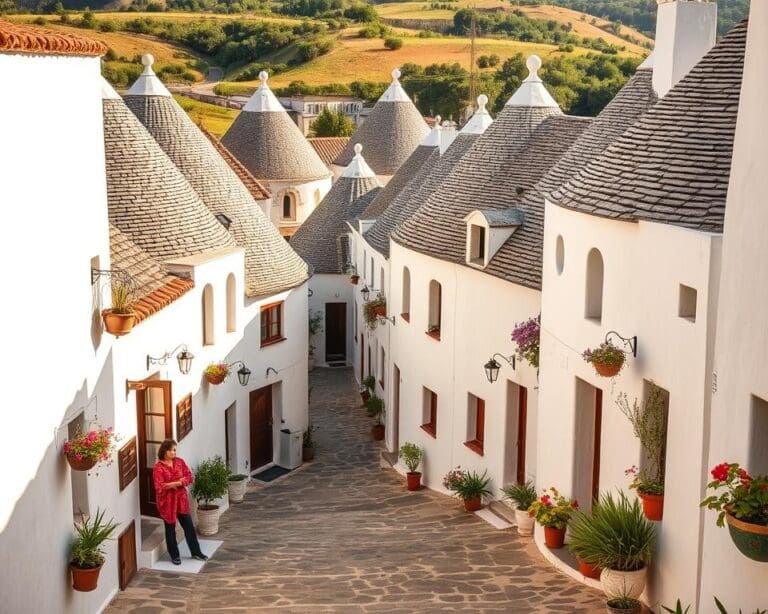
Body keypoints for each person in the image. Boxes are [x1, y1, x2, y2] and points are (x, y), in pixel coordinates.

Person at [153, 439, 209, 565]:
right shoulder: (158, 468)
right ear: (165, 451)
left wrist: (176, 483)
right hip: (168, 503)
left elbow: (189, 477)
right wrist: (177, 482)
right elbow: (159, 486)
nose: (174, 452)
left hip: (181, 501)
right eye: (172, 450)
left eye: (175, 450)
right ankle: (174, 555)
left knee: (189, 527)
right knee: (170, 530)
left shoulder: (179, 462)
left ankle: (196, 552)